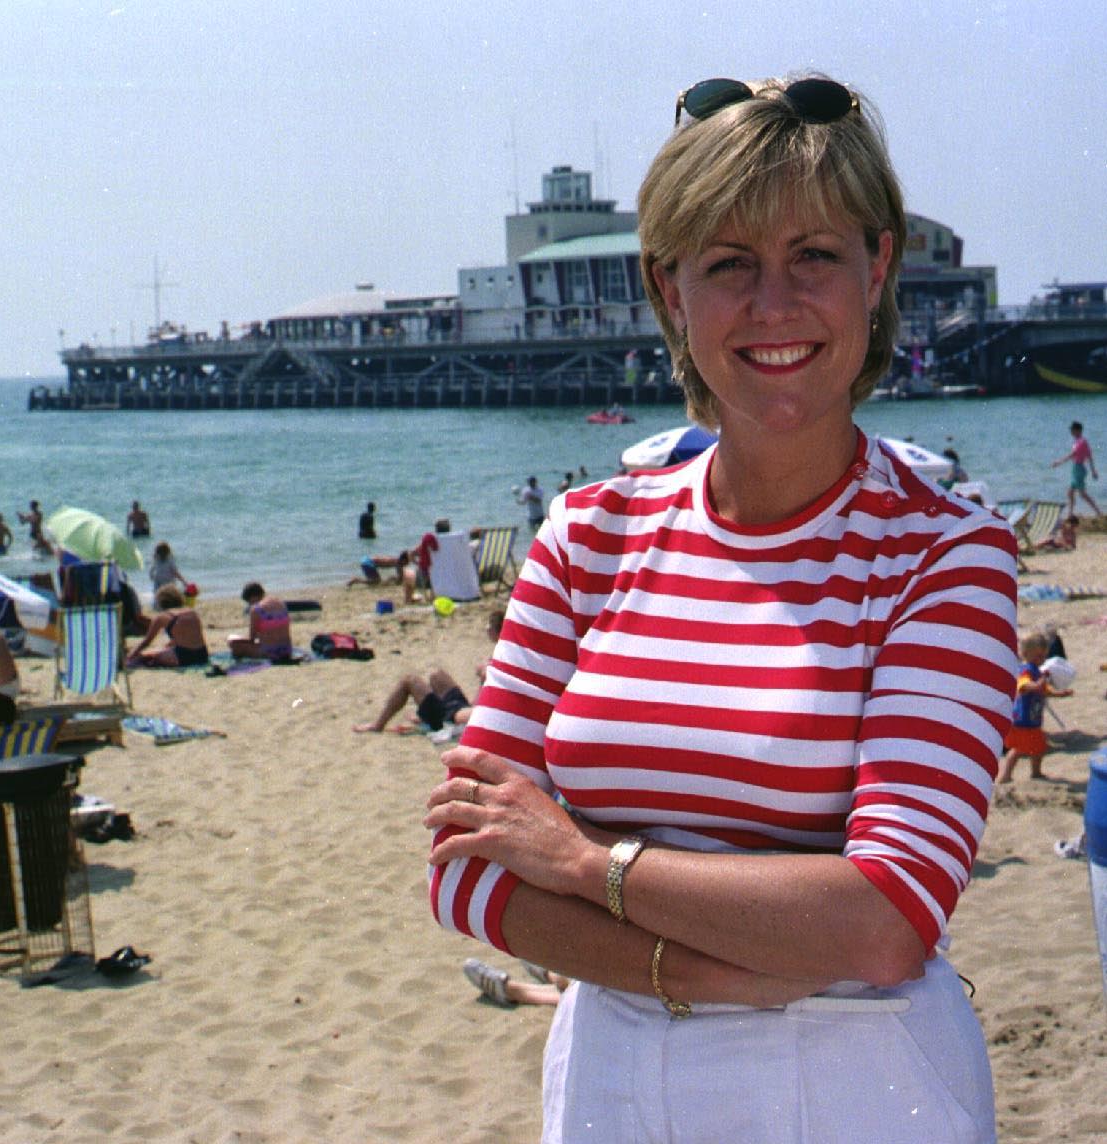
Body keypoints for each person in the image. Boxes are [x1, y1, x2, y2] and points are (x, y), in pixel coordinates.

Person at [423, 75, 1017, 1142]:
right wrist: (695, 968)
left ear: (875, 269)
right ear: (668, 290)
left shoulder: (942, 552)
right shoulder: (587, 537)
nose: (772, 305)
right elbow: (465, 875)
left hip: (861, 1080)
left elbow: (884, 918)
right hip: (610, 1073)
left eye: (814, 257)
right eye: (728, 264)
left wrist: (578, 860)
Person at [353, 610, 503, 733]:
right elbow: (481, 699)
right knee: (436, 675)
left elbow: (486, 712)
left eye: (489, 626)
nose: (486, 629)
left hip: (454, 716)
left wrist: (484, 671)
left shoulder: (502, 665)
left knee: (409, 680)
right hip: (462, 708)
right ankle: (426, 716)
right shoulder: (500, 655)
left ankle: (377, 725)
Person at [999, 630, 1072, 782]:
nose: (1042, 659)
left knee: (1038, 748)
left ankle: (1036, 772)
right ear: (1026, 654)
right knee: (1018, 749)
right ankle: (1006, 775)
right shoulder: (1025, 670)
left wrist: (1060, 694)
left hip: (1033, 720)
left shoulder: (1037, 672)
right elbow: (1024, 686)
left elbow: (1044, 691)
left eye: (1044, 656)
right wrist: (1040, 682)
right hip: (1022, 719)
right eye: (1038, 656)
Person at [127, 586, 210, 667]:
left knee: (148, 657)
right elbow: (188, 637)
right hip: (202, 655)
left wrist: (131, 655)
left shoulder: (163, 617)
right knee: (161, 650)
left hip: (183, 657)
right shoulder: (192, 612)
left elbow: (146, 642)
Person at [227, 582, 293, 662]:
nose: (249, 604)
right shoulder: (280, 603)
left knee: (235, 645)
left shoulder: (256, 609)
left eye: (249, 602)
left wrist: (234, 639)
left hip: (269, 653)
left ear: (252, 597)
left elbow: (252, 638)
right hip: (287, 650)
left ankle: (238, 662)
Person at [1050, 420, 1102, 517]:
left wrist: (1059, 462)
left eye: (1072, 430)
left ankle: (1098, 512)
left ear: (1078, 430)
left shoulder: (1082, 442)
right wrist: (1093, 471)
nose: (1071, 432)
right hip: (1076, 468)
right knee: (1070, 492)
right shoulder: (1079, 441)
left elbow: (1073, 454)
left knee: (1082, 494)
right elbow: (1089, 456)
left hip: (1079, 469)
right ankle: (1071, 514)